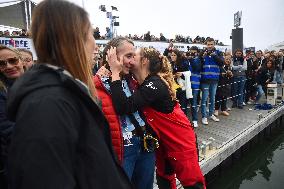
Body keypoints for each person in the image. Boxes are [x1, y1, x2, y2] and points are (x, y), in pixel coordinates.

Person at [5, 1, 132, 189]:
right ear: (74, 38)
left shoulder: (64, 94)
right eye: (91, 34)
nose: (95, 45)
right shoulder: (48, 104)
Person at [108, 47, 206, 189]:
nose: (130, 59)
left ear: (144, 61)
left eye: (133, 55)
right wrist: (108, 69)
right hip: (163, 144)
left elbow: (123, 106)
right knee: (164, 180)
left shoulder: (154, 84)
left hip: (181, 143)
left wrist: (115, 72)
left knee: (193, 184)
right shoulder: (140, 82)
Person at [94, 37, 155, 189]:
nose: (132, 61)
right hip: (123, 148)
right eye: (128, 56)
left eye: (133, 56)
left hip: (145, 143)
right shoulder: (97, 85)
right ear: (112, 55)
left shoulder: (132, 78)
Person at [0, 45, 25, 189]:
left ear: (21, 61)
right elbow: (9, 130)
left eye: (12, 60)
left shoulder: (38, 84)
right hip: (16, 162)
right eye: (2, 63)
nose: (8, 66)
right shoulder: (2, 93)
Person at [200, 38, 223, 125]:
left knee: (213, 98)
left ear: (214, 44)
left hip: (214, 79)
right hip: (205, 79)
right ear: (206, 45)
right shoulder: (202, 52)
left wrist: (214, 55)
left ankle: (211, 114)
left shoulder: (218, 53)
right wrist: (202, 56)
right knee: (204, 99)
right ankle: (204, 116)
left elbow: (222, 63)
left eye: (211, 44)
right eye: (208, 44)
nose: (209, 46)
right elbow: (199, 63)